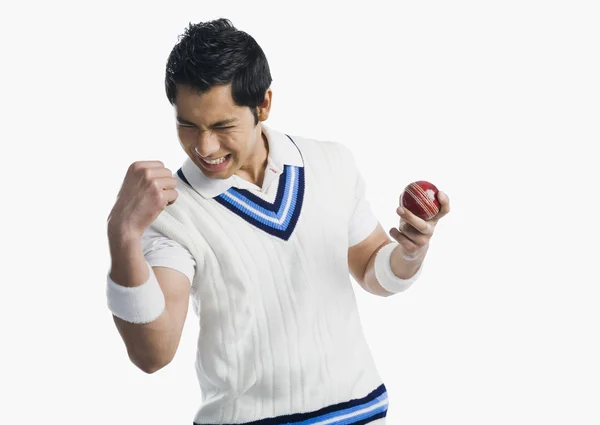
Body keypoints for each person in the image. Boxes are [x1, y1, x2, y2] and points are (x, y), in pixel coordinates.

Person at [106, 18, 450, 425]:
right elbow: (153, 354)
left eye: (222, 126)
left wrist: (411, 252)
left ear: (263, 104)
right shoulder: (174, 212)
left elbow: (376, 271)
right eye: (187, 124)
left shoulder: (331, 162)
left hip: (360, 412)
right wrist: (122, 234)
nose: (204, 146)